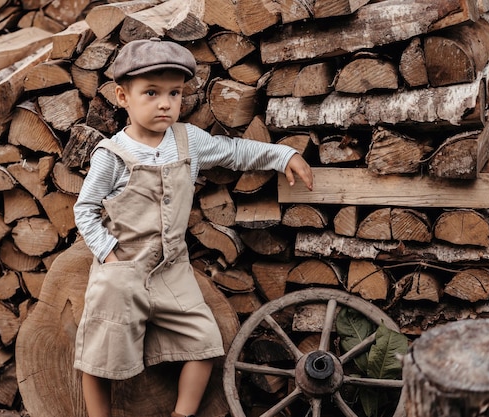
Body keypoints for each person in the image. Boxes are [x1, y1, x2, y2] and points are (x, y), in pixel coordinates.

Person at [72, 37, 313, 417]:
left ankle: (182, 414)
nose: (165, 103)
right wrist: (111, 256)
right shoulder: (112, 155)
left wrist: (283, 154)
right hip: (122, 271)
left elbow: (235, 152)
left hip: (172, 269)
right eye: (150, 93)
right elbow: (84, 209)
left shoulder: (188, 140)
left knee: (204, 342)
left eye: (175, 93)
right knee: (101, 352)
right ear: (122, 97)